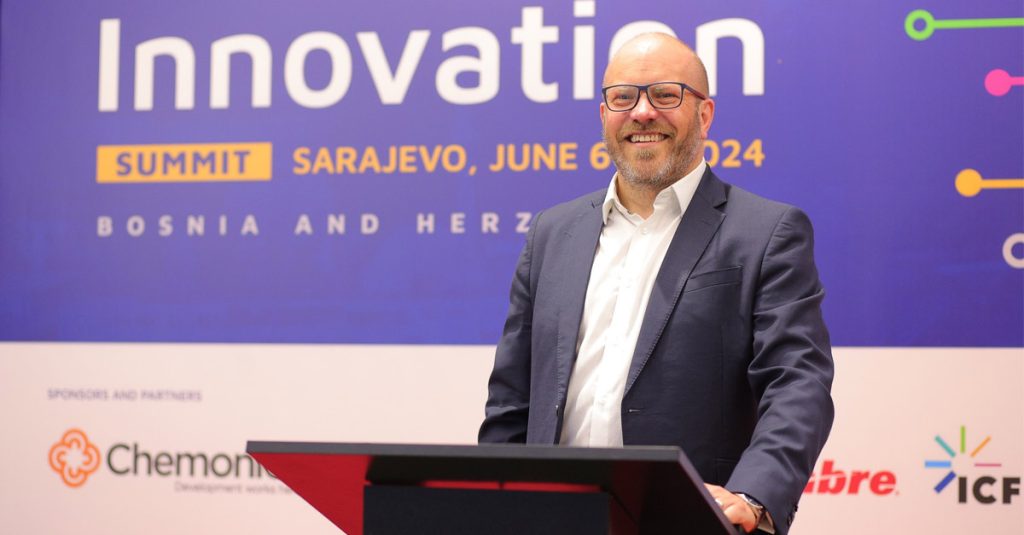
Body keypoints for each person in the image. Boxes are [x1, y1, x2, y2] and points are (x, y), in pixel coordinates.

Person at [478, 33, 834, 534]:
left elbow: (797, 382)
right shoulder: (552, 233)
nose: (642, 113)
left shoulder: (767, 232)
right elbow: (512, 398)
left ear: (705, 114)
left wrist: (753, 496)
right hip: (553, 518)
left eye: (666, 95)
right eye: (623, 97)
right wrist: (491, 500)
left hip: (690, 520)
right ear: (604, 114)